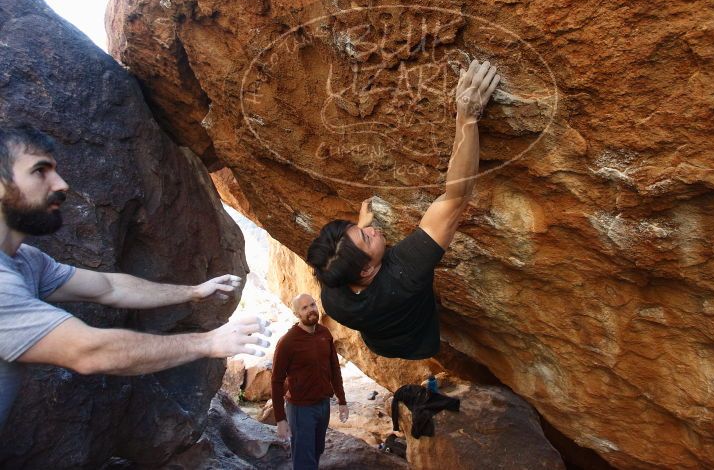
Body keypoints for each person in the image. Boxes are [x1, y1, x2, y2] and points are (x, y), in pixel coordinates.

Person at [0, 124, 270, 431]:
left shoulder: (27, 261)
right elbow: (88, 351)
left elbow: (109, 287)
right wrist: (208, 342)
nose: (61, 184)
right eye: (40, 171)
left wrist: (194, 291)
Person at [306, 59, 500, 359]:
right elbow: (456, 197)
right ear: (368, 270)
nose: (372, 230)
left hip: (381, 344)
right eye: (368, 238)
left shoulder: (334, 295)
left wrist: (359, 234)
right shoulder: (404, 274)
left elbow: (342, 259)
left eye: (360, 231)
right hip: (421, 342)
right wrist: (467, 116)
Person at [271, 294, 348, 470]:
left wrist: (342, 401)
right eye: (304, 308)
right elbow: (276, 381)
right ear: (297, 313)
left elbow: (335, 369)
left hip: (323, 405)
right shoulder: (287, 342)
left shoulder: (324, 333)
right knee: (304, 462)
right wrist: (280, 419)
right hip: (300, 409)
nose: (311, 310)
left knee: (316, 453)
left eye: (312, 305)